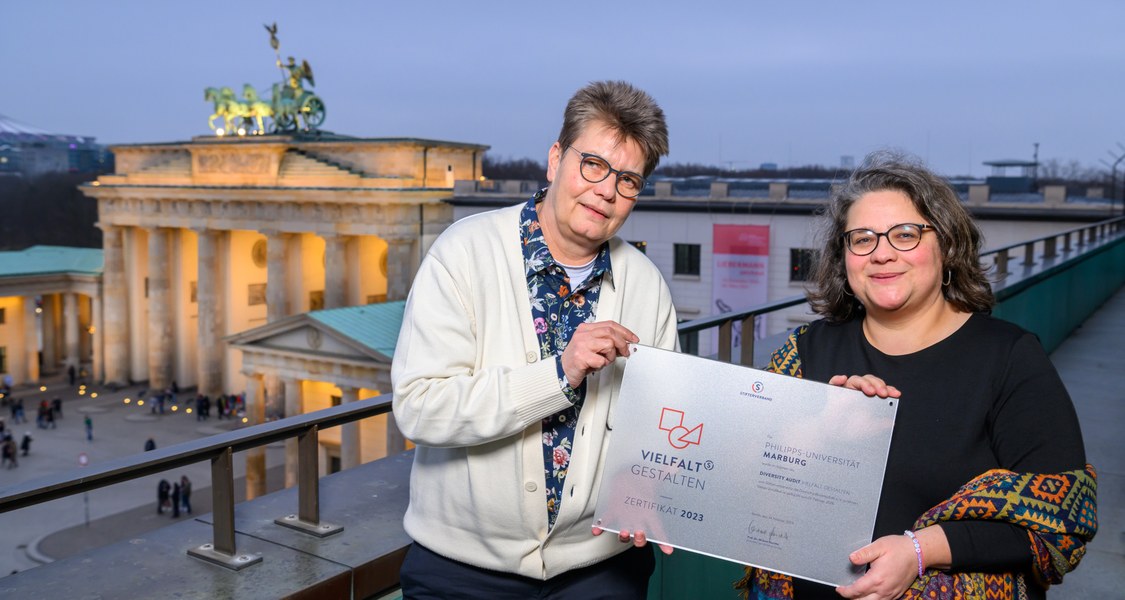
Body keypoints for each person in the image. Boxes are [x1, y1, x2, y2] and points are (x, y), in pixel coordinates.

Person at [737, 152, 1096, 600]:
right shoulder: (805, 352)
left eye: (906, 234)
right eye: (862, 239)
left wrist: (921, 551)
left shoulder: (1008, 358)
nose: (882, 253)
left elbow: (1065, 519)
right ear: (843, 257)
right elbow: (738, 473)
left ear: (946, 245)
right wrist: (817, 430)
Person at [391, 80, 677, 598]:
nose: (606, 190)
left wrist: (645, 481)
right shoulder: (463, 253)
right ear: (555, 159)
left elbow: (663, 424)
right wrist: (557, 375)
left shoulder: (647, 285)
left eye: (629, 180)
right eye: (593, 164)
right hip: (461, 572)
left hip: (600, 570)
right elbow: (419, 408)